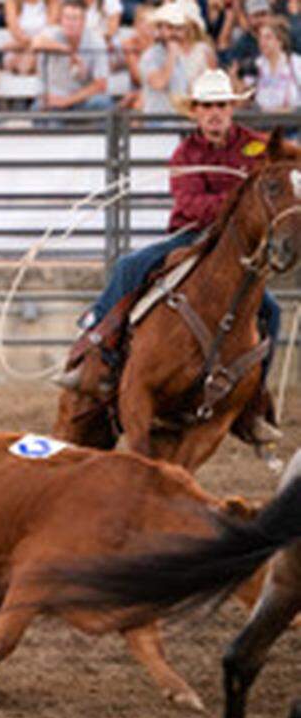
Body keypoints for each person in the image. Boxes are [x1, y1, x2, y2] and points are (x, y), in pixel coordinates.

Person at [55, 69, 281, 442]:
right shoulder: (186, 153)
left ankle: (253, 399)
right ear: (195, 111)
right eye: (207, 106)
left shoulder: (254, 147)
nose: (214, 113)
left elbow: (279, 170)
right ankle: (100, 347)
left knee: (270, 310)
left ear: (231, 109)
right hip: (191, 237)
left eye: (221, 105)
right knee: (130, 266)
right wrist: (241, 204)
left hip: (236, 249)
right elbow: (191, 204)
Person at [32, 0, 113, 114]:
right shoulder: (53, 33)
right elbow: (36, 43)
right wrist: (67, 50)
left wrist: (66, 101)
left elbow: (100, 85)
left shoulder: (96, 41)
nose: (70, 23)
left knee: (102, 102)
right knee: (41, 108)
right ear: (61, 20)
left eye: (75, 18)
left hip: (82, 99)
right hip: (55, 96)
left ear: (83, 21)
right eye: (66, 18)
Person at [138, 1, 193, 115]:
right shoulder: (150, 56)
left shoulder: (181, 56)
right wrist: (171, 55)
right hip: (157, 122)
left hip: (178, 122)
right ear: (160, 29)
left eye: (179, 28)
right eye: (170, 27)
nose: (175, 33)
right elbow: (158, 83)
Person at [248, 18, 301, 112]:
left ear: (280, 41)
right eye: (260, 37)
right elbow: (246, 95)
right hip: (262, 122)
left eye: (268, 37)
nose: (262, 42)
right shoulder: (257, 64)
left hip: (293, 122)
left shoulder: (295, 63)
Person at [3, 0, 59, 74]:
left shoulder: (52, 1)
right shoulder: (12, 1)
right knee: (18, 60)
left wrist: (33, 47)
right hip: (19, 48)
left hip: (43, 48)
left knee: (32, 61)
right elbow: (15, 30)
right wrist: (29, 46)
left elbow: (50, 29)